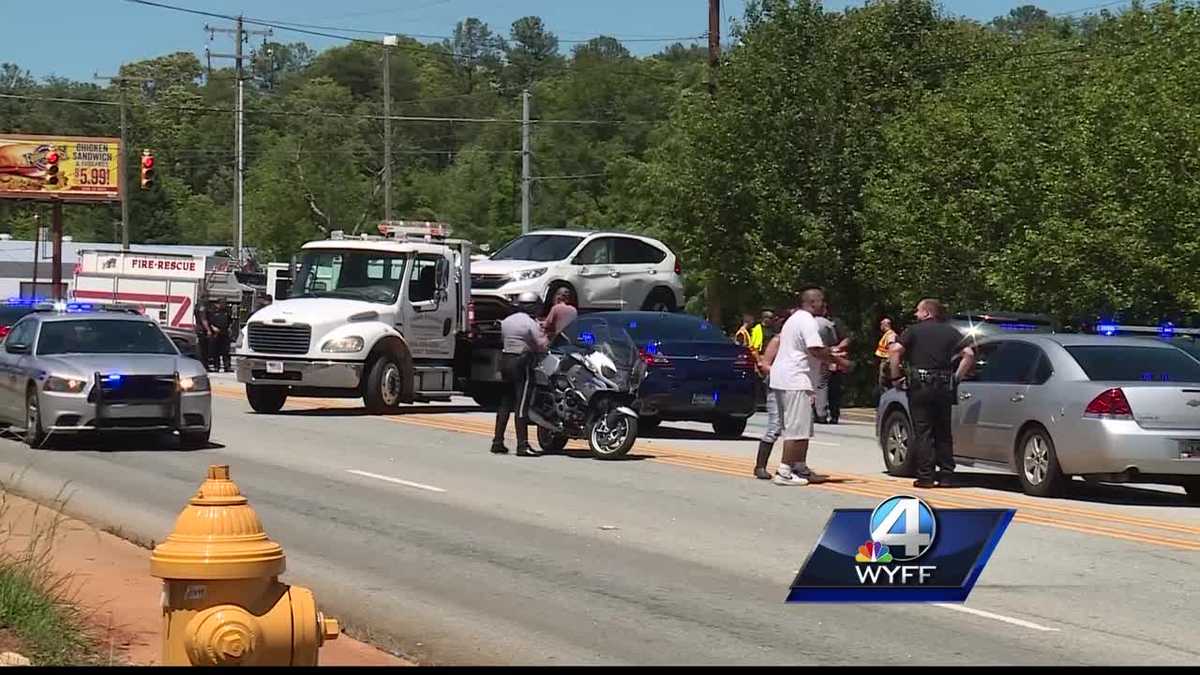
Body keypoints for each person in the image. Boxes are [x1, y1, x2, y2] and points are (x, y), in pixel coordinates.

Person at [888, 299, 976, 489]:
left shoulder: (914, 330)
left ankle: (926, 476)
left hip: (920, 385)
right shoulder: (952, 332)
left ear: (927, 313)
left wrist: (895, 376)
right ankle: (946, 476)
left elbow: (894, 351)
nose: (915, 314)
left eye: (918, 311)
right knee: (943, 431)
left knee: (923, 430)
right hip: (944, 384)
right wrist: (956, 378)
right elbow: (969, 354)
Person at [770, 287, 851, 486]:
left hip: (786, 378)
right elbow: (814, 349)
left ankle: (800, 467)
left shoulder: (795, 318)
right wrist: (840, 362)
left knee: (804, 426)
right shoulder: (807, 321)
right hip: (796, 379)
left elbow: (807, 348)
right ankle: (784, 471)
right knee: (797, 428)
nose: (824, 304)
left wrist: (830, 351)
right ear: (811, 302)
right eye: (821, 301)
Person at [492, 291, 549, 457]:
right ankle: (522, 445)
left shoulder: (507, 321)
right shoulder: (530, 323)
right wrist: (545, 335)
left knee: (504, 403)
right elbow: (541, 345)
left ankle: (497, 441)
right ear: (532, 306)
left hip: (505, 360)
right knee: (522, 404)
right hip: (521, 362)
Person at [753, 308, 791, 480]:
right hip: (776, 386)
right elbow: (764, 365)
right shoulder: (778, 340)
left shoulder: (797, 343)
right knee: (775, 427)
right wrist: (779, 374)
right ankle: (760, 466)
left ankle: (791, 466)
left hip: (793, 387)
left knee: (794, 429)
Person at [824, 305, 851, 424]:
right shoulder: (810, 321)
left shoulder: (835, 323)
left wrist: (836, 348)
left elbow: (847, 339)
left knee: (834, 388)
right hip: (818, 359)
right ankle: (818, 414)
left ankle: (834, 414)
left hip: (833, 359)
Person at [208, 298, 233, 373]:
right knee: (216, 352)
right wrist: (213, 328)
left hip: (224, 332)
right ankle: (216, 366)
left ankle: (227, 366)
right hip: (216, 333)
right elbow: (209, 322)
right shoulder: (212, 311)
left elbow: (230, 321)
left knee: (226, 351)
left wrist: (229, 328)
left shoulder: (227, 311)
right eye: (222, 303)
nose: (223, 305)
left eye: (224, 304)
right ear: (218, 304)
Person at [875, 317, 898, 398]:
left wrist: (889, 361)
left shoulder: (891, 335)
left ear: (885, 325)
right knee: (882, 383)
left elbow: (892, 348)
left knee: (885, 383)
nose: (880, 326)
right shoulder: (886, 335)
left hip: (887, 361)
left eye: (881, 324)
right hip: (884, 360)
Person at [193, 299, 213, 371]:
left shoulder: (197, 307)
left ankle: (203, 365)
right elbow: (203, 319)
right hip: (202, 330)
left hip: (199, 329)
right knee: (204, 350)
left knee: (202, 349)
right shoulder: (202, 308)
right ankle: (204, 366)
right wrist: (208, 330)